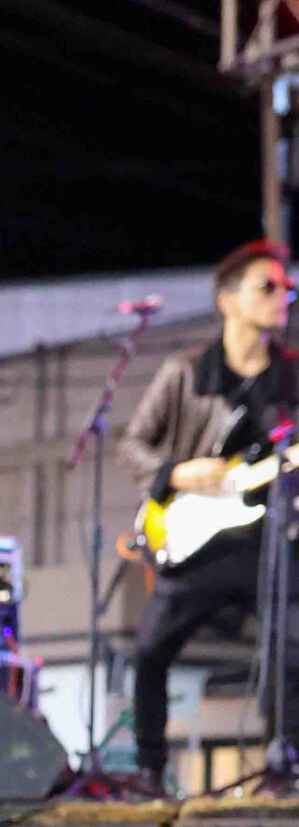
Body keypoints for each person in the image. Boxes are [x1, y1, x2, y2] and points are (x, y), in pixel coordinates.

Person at [121, 240, 299, 785]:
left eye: (288, 288)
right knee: (151, 653)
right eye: (267, 286)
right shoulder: (185, 372)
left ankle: (284, 767)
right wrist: (178, 473)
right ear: (227, 300)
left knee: (290, 651)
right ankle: (150, 772)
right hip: (196, 538)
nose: (282, 297)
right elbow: (132, 445)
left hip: (267, 539)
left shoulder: (291, 376)